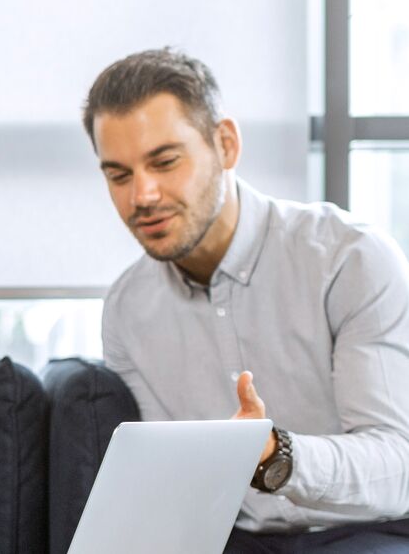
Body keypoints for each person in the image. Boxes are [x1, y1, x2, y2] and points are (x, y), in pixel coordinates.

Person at [83, 48, 409, 552]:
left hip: (366, 531)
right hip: (234, 540)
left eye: (165, 162)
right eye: (118, 175)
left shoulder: (350, 259)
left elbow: (397, 465)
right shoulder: (128, 309)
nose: (141, 195)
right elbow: (173, 487)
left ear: (226, 144)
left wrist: (276, 455)